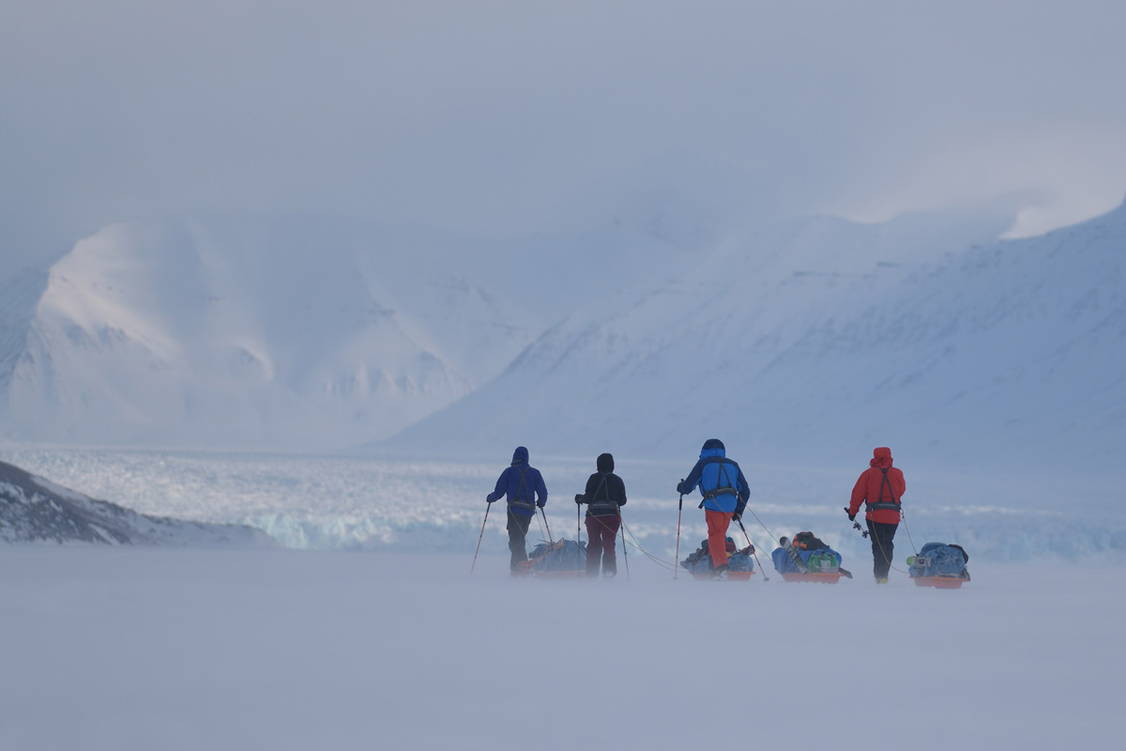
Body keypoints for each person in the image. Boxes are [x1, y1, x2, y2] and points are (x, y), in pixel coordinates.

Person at [676, 439, 750, 572]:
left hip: (713, 504)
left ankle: (721, 568)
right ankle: (726, 559)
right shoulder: (733, 464)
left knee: (715, 534)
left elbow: (688, 486)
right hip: (730, 506)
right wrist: (738, 511)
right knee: (721, 534)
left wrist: (681, 487)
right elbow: (745, 490)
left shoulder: (704, 463)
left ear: (704, 451)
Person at [846, 446, 905, 583]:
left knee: (878, 545)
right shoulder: (898, 473)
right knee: (888, 544)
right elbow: (901, 490)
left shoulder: (868, 474)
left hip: (874, 516)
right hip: (893, 516)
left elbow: (857, 494)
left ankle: (880, 576)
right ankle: (884, 575)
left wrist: (852, 512)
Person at [486, 446, 548, 573]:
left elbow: (499, 491)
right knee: (519, 538)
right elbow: (543, 492)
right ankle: (520, 567)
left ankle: (518, 569)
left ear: (515, 457)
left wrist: (490, 498)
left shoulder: (509, 472)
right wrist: (541, 503)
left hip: (514, 510)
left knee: (515, 540)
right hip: (528, 511)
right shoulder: (535, 473)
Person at [574, 452, 627, 577]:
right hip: (612, 518)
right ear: (612, 465)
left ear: (598, 464)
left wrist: (580, 498)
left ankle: (591, 573)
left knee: (594, 544)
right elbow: (623, 501)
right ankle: (609, 573)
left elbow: (588, 497)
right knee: (609, 543)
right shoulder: (617, 480)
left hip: (593, 517)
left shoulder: (593, 478)